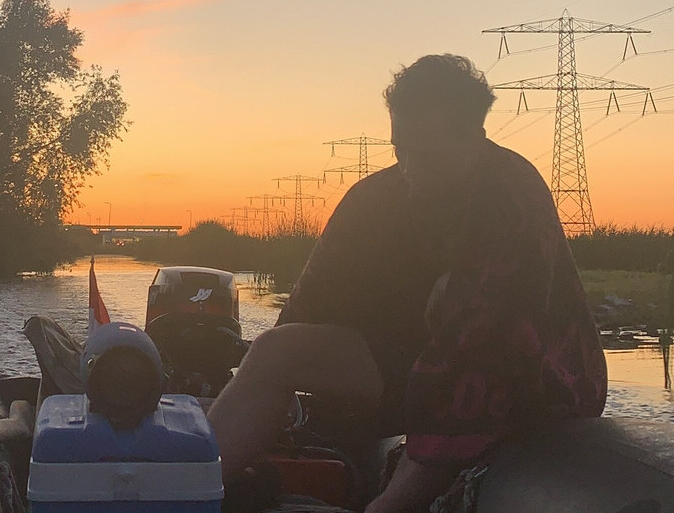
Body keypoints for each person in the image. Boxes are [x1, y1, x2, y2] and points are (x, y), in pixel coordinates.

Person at [207, 54, 607, 513]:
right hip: (420, 358)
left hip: (535, 379)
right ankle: (186, 489)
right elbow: (309, 306)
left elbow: (484, 357)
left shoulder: (513, 202)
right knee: (275, 350)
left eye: (431, 156)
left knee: (455, 305)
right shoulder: (375, 198)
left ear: (475, 138)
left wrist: (393, 501)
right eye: (402, 150)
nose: (412, 170)